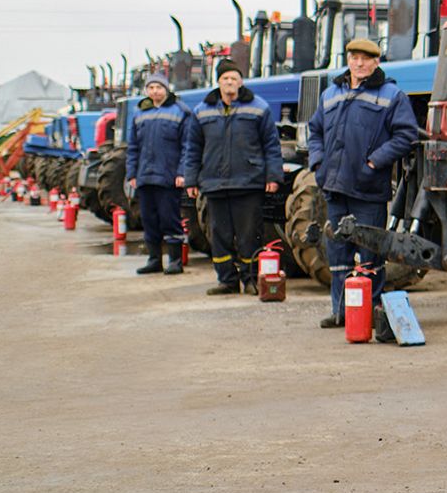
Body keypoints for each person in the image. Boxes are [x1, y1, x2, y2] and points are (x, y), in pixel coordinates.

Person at [306, 37, 419, 334]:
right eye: (354, 57)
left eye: (366, 59)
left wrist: (373, 163)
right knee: (339, 255)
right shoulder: (330, 94)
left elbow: (406, 136)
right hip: (334, 187)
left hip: (368, 189)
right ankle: (341, 312)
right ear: (348, 59)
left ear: (376, 62)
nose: (359, 63)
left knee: (370, 256)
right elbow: (314, 130)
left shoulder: (392, 95)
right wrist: (318, 163)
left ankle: (370, 314)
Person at [182, 59, 283, 295]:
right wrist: (190, 180)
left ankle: (250, 280)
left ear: (241, 82)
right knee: (219, 235)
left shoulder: (259, 108)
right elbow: (193, 148)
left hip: (249, 182)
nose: (230, 82)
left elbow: (271, 145)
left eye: (234, 78)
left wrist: (273, 177)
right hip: (214, 183)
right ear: (218, 82)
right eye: (225, 78)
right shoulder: (202, 111)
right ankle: (227, 280)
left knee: (250, 235)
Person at [124, 73, 194, 276]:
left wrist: (182, 173)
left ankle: (175, 260)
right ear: (146, 90)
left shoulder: (180, 111)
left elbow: (187, 146)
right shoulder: (139, 112)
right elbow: (133, 147)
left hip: (168, 177)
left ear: (167, 89)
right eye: (151, 87)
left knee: (169, 218)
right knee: (148, 219)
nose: (155, 91)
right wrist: (132, 174)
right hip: (145, 176)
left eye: (159, 87)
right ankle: (154, 259)